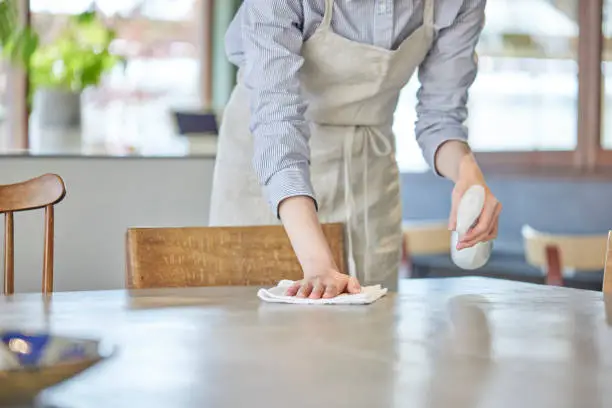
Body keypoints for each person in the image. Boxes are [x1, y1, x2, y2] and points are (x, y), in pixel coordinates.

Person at [209, 0, 501, 298]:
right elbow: (277, 124)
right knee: (257, 328)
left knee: (369, 330)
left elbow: (440, 118)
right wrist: (317, 264)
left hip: (368, 168)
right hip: (269, 166)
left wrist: (468, 175)